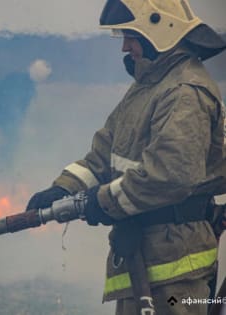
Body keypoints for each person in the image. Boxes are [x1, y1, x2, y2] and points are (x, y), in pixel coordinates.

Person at [25, 1, 226, 314]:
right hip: (144, 254)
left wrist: (102, 202)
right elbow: (104, 155)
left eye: (131, 35)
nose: (125, 46)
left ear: (160, 29)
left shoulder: (185, 90)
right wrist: (65, 188)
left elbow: (170, 176)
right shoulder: (149, 87)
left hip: (174, 267)